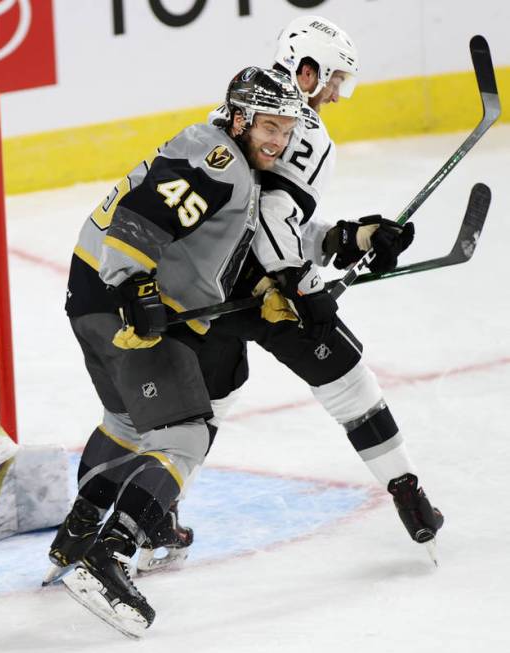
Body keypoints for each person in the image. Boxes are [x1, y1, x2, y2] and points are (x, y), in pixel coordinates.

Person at [154, 15, 442, 566]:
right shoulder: (303, 125)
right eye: (333, 79)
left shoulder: (237, 110)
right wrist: (303, 285)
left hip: (200, 285)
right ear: (305, 70)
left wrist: (347, 238)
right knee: (349, 383)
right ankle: (408, 491)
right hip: (263, 293)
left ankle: (154, 522)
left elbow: (260, 216)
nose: (336, 94)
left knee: (205, 409)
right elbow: (271, 215)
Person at [53, 66, 303, 637]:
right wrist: (136, 290)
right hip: (117, 296)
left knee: (124, 419)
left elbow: (194, 249)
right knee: (187, 433)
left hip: (89, 293)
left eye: (286, 130)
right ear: (239, 118)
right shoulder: (220, 159)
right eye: (268, 126)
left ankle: (76, 532)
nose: (277, 141)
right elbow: (140, 221)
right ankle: (109, 556)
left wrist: (260, 292)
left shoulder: (219, 153)